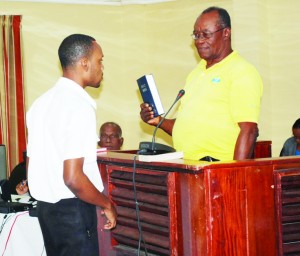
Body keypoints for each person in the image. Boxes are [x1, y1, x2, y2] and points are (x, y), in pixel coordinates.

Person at [26, 34, 117, 256]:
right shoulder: (79, 106)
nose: (102, 67)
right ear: (84, 63)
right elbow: (73, 178)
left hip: (47, 212)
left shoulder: (40, 103)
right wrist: (107, 204)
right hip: (72, 214)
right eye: (99, 60)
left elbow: (31, 164)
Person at [140, 6, 263, 161]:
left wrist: (235, 175)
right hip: (188, 166)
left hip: (217, 169)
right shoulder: (196, 73)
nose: (199, 41)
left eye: (206, 34)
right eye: (196, 35)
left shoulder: (242, 71)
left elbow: (248, 130)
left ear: (226, 33)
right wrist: (158, 121)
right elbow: (185, 126)